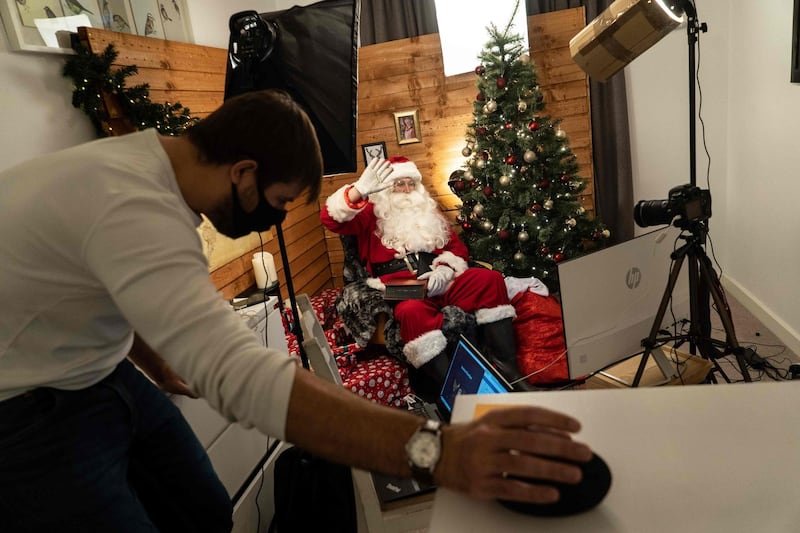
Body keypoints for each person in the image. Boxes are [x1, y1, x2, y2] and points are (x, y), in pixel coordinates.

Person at [0, 89, 593, 532]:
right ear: (243, 173)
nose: (276, 217)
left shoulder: (140, 167)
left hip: (102, 373)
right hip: (25, 408)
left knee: (203, 509)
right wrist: (439, 451)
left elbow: (91, 285)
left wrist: (155, 361)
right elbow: (246, 382)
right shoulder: (134, 207)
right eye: (279, 202)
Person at [320, 156, 532, 391]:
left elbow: (457, 250)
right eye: (400, 184)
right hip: (399, 285)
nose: (407, 190)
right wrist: (358, 190)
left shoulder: (430, 213)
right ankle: (452, 390)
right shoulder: (371, 214)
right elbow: (331, 219)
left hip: (440, 278)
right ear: (386, 188)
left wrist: (445, 269)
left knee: (489, 280)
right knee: (411, 311)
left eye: (411, 183)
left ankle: (509, 372)